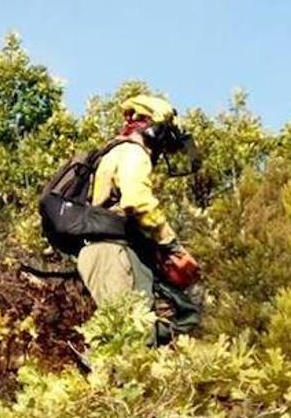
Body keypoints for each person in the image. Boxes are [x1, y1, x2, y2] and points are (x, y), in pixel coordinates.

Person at [76, 94, 200, 340]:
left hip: (102, 253)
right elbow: (136, 200)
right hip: (115, 253)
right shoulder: (134, 153)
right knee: (132, 339)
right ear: (155, 131)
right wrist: (171, 246)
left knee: (119, 335)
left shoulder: (111, 153)